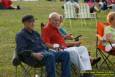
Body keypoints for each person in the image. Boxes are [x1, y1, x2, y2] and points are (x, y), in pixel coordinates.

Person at [41, 12, 97, 77]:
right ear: (49, 20)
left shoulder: (56, 28)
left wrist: (74, 43)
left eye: (58, 21)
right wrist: (56, 46)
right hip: (58, 51)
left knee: (83, 48)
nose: (57, 22)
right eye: (55, 20)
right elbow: (46, 43)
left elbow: (63, 43)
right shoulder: (46, 29)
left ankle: (87, 71)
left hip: (65, 48)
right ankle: (85, 73)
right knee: (74, 51)